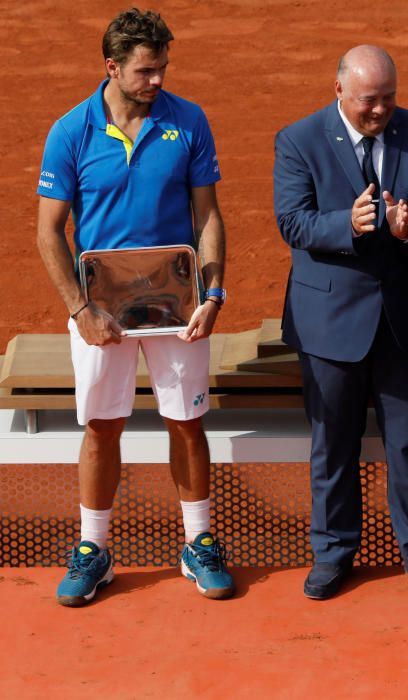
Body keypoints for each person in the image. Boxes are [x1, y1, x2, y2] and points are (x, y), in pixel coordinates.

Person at [36, 9, 233, 606]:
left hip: (176, 300)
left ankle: (198, 542)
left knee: (186, 419)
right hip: (101, 308)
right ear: (112, 68)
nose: (157, 81)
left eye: (163, 69)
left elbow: (208, 216)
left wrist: (213, 291)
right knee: (102, 424)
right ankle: (94, 549)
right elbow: (49, 232)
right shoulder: (71, 131)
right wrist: (80, 310)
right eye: (145, 71)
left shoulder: (188, 121)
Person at [273, 45, 408, 602]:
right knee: (332, 443)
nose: (380, 111)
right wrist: (345, 224)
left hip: (404, 318)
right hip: (329, 322)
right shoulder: (299, 139)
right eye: (367, 101)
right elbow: (292, 221)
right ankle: (332, 553)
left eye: (388, 98)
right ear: (339, 92)